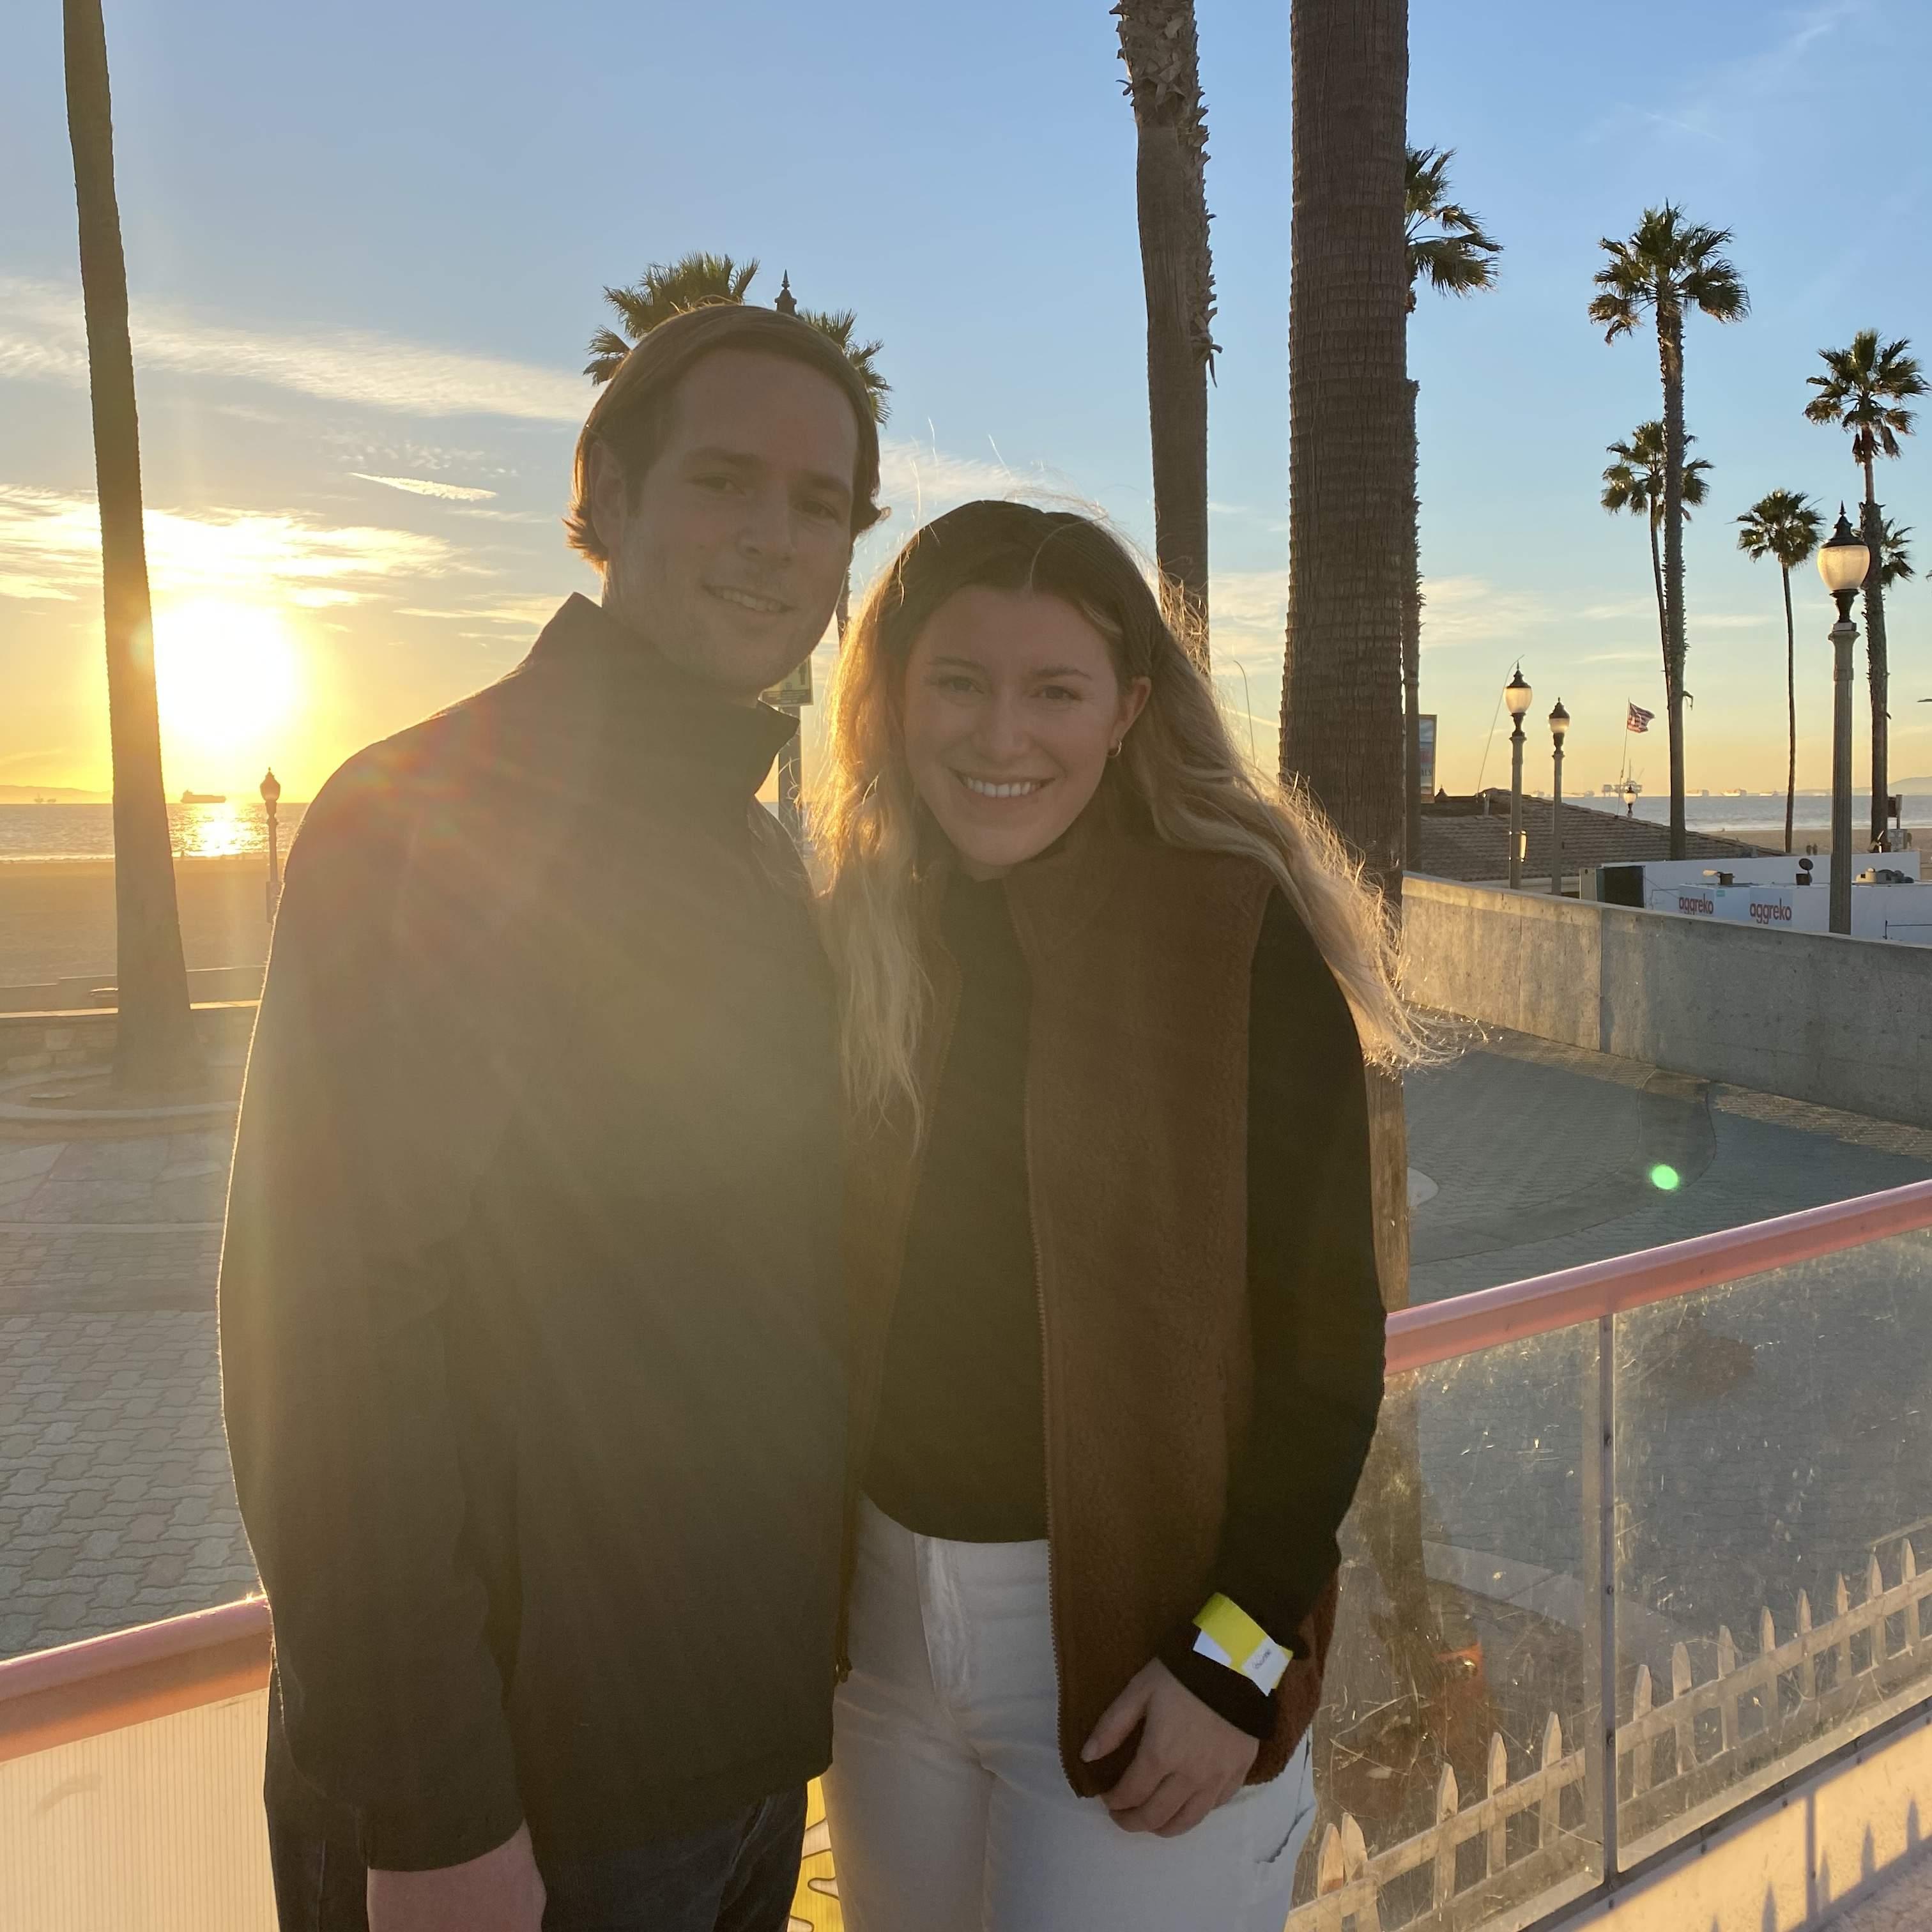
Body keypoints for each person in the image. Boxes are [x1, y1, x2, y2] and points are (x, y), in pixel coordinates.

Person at [218, 302, 882, 1932]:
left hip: (726, 1764)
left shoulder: (750, 859)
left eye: (821, 505)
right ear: (607, 498)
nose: (774, 540)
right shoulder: (434, 817)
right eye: (727, 480)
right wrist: (432, 1807)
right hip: (519, 1807)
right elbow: (327, 1337)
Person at [813, 502, 1412, 1931]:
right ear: (893, 696)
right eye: (959, 681)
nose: (1001, 734)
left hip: (1140, 1651)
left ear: (1128, 710)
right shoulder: (860, 929)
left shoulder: (1235, 939)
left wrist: (1236, 1662)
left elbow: (1331, 1350)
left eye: (1055, 691)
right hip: (877, 1649)